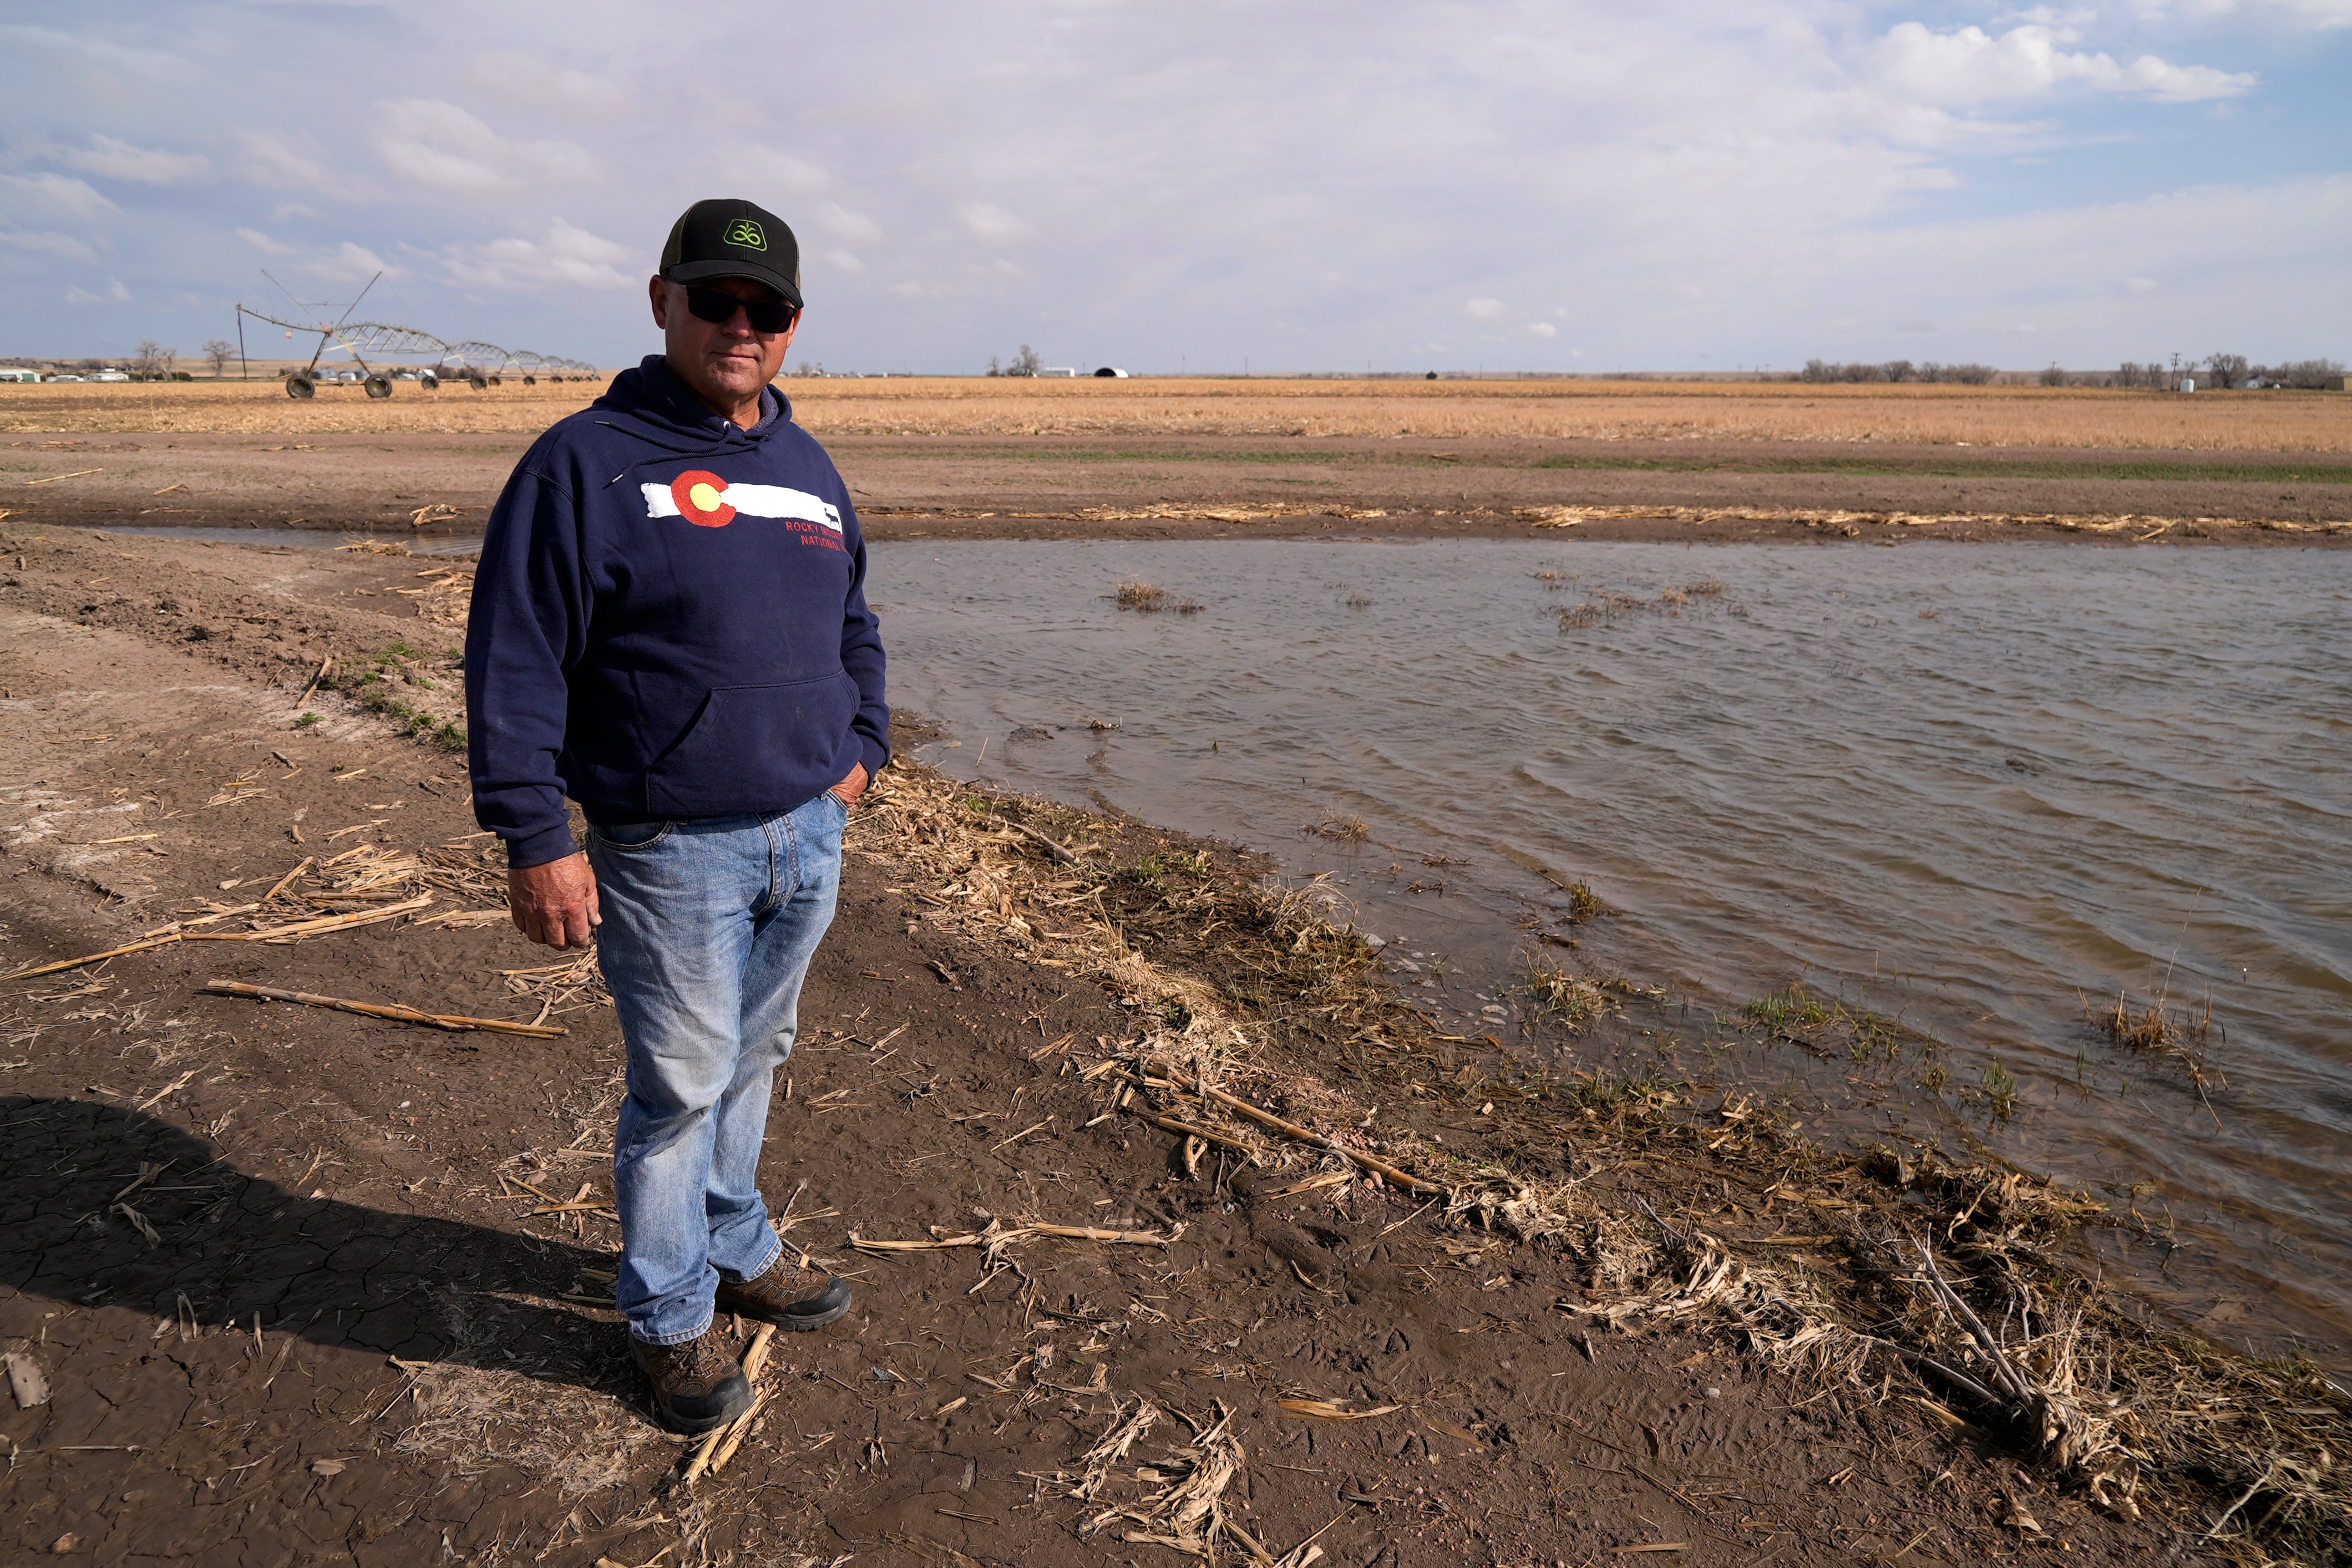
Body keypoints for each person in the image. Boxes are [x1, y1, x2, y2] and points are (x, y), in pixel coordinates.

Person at [464, 197, 888, 1434]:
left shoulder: (807, 468)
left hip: (807, 830)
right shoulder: (583, 462)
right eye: (716, 300)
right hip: (666, 845)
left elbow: (854, 620)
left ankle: (736, 1239)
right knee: (682, 1080)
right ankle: (665, 1311)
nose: (739, 326)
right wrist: (534, 832)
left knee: (758, 1053)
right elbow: (517, 656)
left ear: (794, 327)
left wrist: (862, 751)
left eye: (765, 310)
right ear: (663, 302)